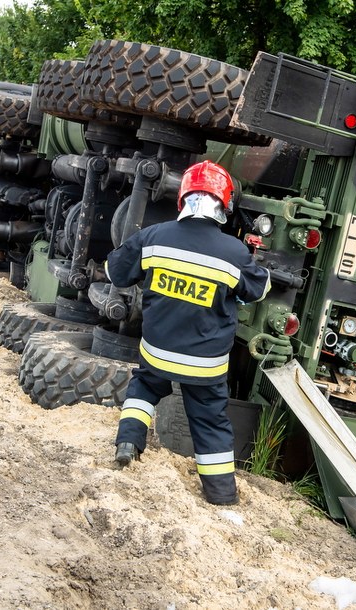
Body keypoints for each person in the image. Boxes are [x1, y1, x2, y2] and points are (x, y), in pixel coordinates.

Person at [104, 160, 271, 505]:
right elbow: (258, 290)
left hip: (157, 352)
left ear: (183, 198)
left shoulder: (154, 237)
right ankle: (221, 495)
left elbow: (115, 271)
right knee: (210, 424)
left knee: (144, 386)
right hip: (205, 366)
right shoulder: (234, 253)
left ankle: (128, 445)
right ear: (223, 204)